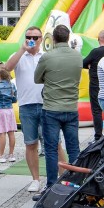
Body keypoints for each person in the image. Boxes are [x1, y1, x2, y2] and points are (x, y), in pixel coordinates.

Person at [34, 25, 83, 192]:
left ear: (53, 39)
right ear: (68, 38)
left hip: (52, 108)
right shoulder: (77, 57)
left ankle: (51, 186)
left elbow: (37, 79)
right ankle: (76, 184)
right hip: (71, 107)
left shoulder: (48, 57)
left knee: (51, 148)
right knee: (73, 148)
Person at [5, 26, 45, 192]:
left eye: (36, 37)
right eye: (29, 36)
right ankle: (35, 179)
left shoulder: (46, 56)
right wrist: (22, 49)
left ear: (41, 39)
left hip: (46, 104)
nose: (32, 40)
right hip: (26, 104)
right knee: (31, 143)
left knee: (54, 143)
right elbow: (7, 68)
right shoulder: (19, 55)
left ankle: (59, 176)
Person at [82, 28, 104, 140]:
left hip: (96, 85)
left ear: (98, 39)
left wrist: (90, 65)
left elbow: (83, 63)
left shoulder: (95, 52)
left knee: (97, 110)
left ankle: (98, 136)